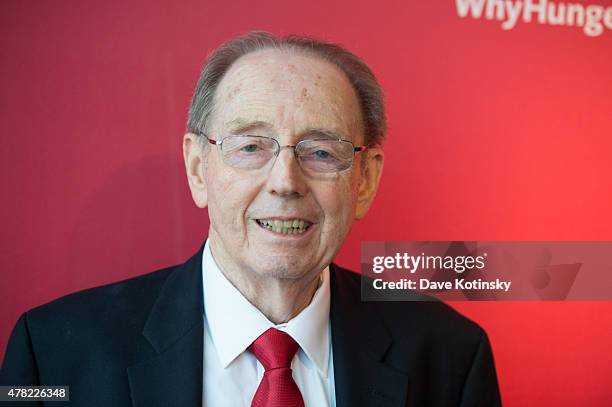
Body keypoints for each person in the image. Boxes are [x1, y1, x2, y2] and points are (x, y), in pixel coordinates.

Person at [0, 32, 501, 406]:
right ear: (200, 170)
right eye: (251, 147)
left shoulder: (451, 357)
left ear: (364, 181)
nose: (285, 181)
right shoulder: (52, 354)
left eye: (321, 151)